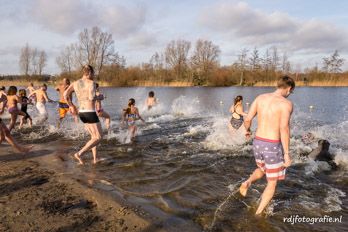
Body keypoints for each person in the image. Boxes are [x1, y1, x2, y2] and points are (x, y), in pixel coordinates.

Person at [239, 76, 295, 215]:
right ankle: (258, 214)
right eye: (291, 91)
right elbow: (284, 129)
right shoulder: (286, 104)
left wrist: (247, 131)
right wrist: (287, 154)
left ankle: (247, 182)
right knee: (272, 182)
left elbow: (247, 119)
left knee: (262, 169)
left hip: (258, 142)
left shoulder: (260, 98)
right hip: (272, 145)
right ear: (289, 88)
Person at [64, 65, 103, 165]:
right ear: (89, 72)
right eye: (93, 73)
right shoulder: (91, 83)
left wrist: (71, 105)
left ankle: (95, 158)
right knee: (98, 137)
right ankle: (79, 154)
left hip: (81, 112)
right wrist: (100, 97)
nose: (93, 75)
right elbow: (91, 97)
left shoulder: (75, 83)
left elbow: (65, 94)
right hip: (89, 112)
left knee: (93, 137)